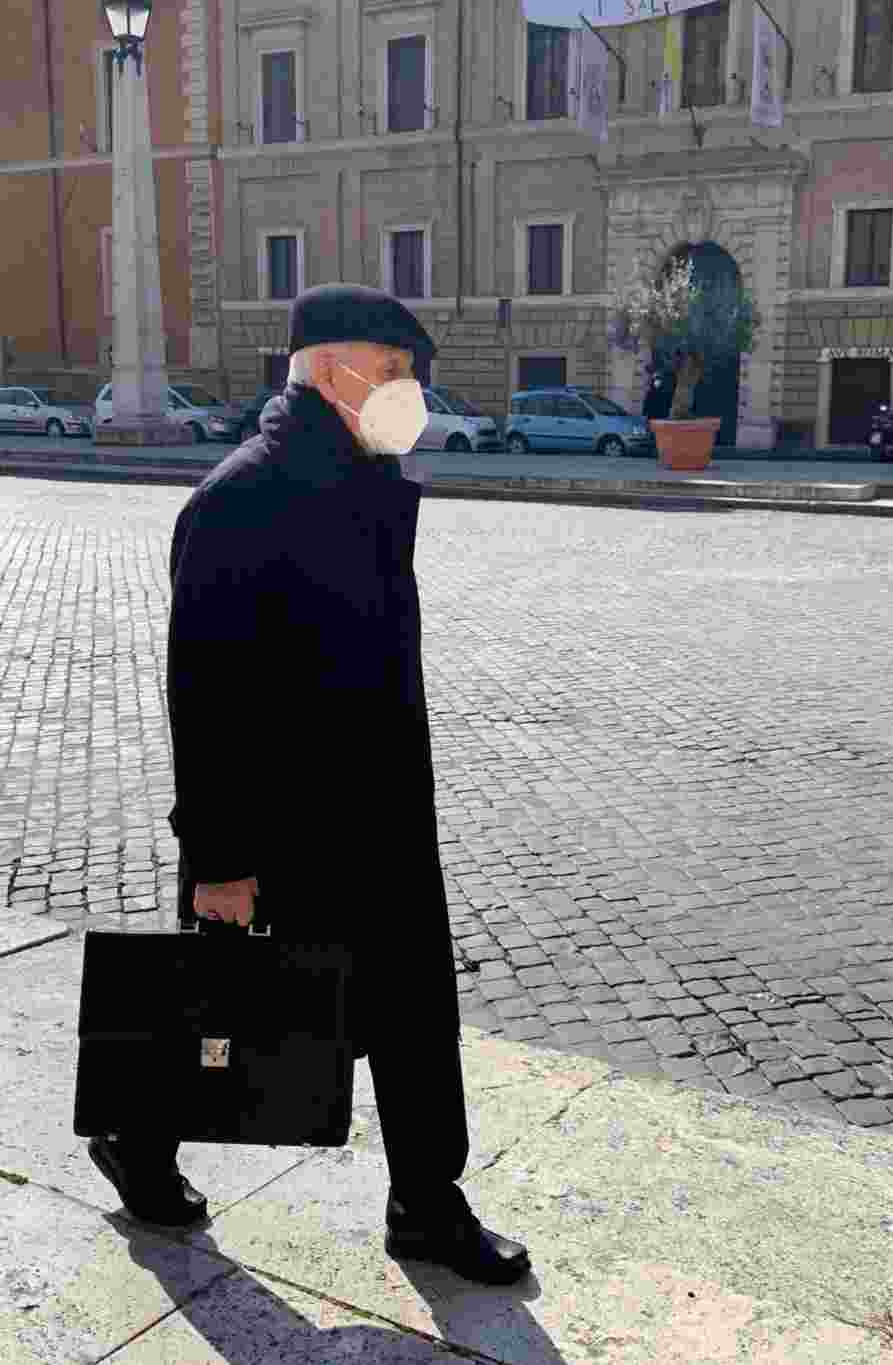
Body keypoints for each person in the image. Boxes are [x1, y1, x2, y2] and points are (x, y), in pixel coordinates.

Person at [86, 283, 531, 1287]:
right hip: (282, 836)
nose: (410, 395)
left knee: (414, 1014)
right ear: (334, 370)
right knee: (231, 1013)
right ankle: (138, 1139)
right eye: (396, 373)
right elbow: (202, 699)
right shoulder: (243, 497)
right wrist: (221, 861)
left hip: (379, 818)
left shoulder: (362, 481)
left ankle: (426, 1202)